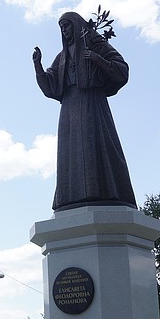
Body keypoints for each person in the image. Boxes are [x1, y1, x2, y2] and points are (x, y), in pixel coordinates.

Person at [32, 11, 136, 212]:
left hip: (91, 102)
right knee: (70, 152)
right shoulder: (61, 57)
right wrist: (38, 65)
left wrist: (97, 59)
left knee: (94, 145)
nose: (64, 30)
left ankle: (102, 192)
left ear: (77, 26)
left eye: (68, 25)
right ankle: (71, 196)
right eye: (61, 27)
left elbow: (121, 69)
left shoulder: (95, 45)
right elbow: (50, 85)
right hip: (69, 106)